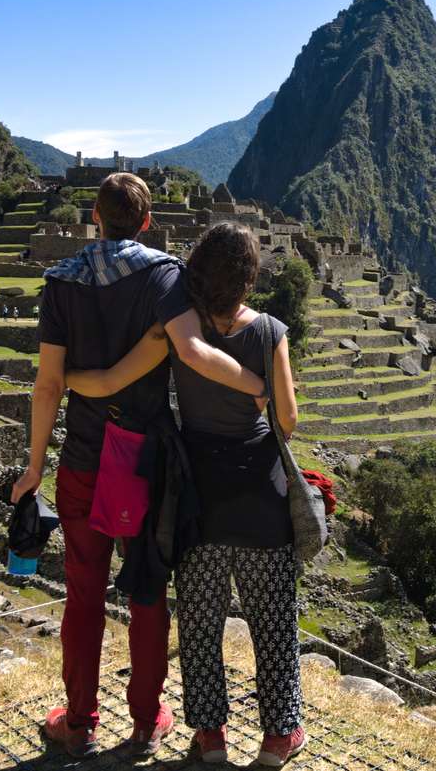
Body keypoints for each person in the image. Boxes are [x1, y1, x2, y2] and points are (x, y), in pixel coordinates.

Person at [10, 173, 267, 760]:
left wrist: (33, 467)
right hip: (146, 463)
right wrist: (262, 386)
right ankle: (148, 721)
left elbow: (48, 386)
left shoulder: (61, 283)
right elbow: (195, 353)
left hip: (82, 460)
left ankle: (77, 723)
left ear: (94, 218)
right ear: (147, 222)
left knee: (82, 594)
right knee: (148, 593)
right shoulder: (165, 277)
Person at [64, 222, 305, 766]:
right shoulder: (271, 332)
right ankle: (277, 737)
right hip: (260, 494)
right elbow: (287, 420)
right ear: (249, 278)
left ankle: (211, 738)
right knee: (273, 620)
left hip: (196, 495)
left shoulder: (177, 332)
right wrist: (258, 393)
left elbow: (111, 381)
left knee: (199, 621)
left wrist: (67, 377)